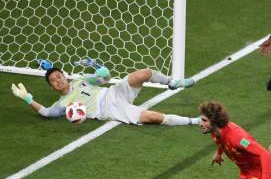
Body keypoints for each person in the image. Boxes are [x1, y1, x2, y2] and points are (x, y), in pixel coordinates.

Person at [11, 66, 198, 126]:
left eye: (59, 76)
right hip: (109, 109)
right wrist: (27, 98)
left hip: (112, 93)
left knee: (144, 73)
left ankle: (173, 83)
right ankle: (195, 121)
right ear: (52, 87)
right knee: (153, 117)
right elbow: (46, 113)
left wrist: (102, 71)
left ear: (64, 76)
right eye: (53, 80)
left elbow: (106, 79)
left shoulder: (82, 80)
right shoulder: (64, 103)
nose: (58, 80)